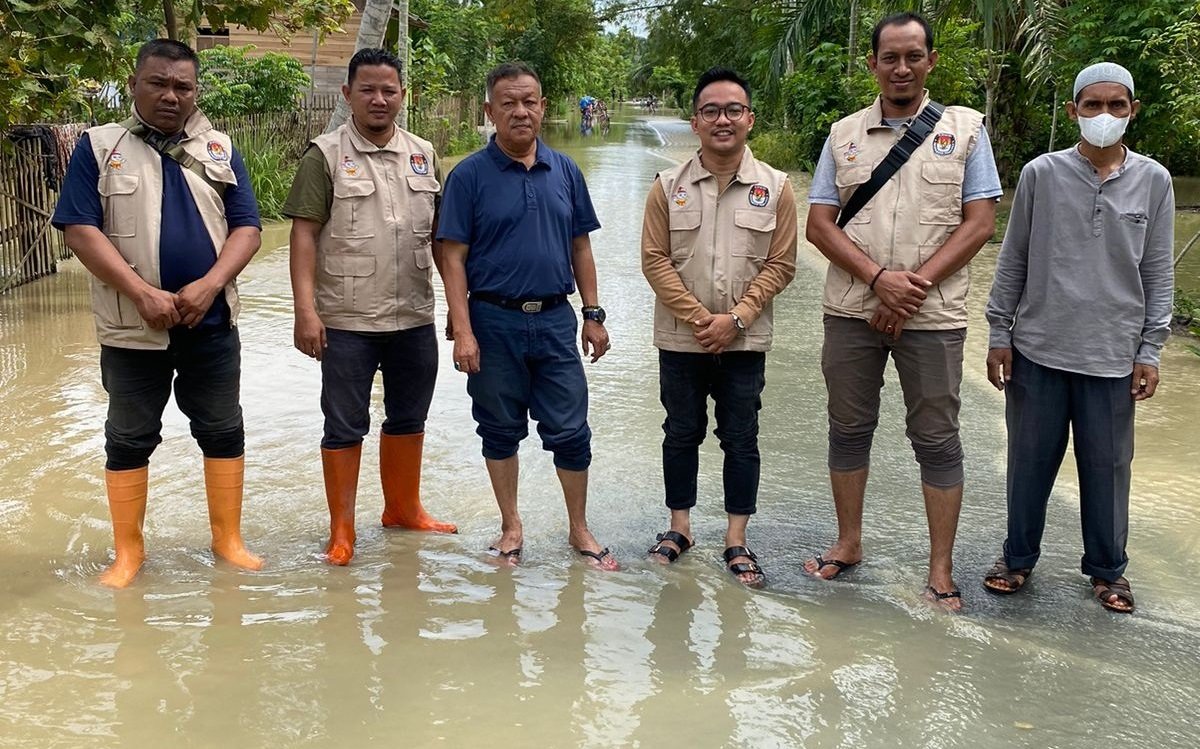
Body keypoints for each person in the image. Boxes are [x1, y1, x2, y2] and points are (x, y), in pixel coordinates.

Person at [804, 12, 1002, 609]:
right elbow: (819, 224)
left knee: (937, 438)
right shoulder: (842, 135)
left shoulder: (966, 130)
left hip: (932, 315)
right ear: (872, 64)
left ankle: (940, 569)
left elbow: (980, 223)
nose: (901, 68)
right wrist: (878, 279)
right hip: (851, 310)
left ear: (931, 61)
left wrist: (910, 289)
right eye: (889, 57)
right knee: (848, 429)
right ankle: (848, 544)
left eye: (913, 56)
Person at [51, 39, 264, 587]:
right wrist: (141, 292)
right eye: (159, 83)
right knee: (128, 438)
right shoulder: (99, 147)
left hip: (210, 323)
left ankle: (228, 541)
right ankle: (129, 554)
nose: (171, 95)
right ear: (134, 83)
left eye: (183, 86)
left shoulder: (219, 148)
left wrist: (210, 286)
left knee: (223, 430)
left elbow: (247, 228)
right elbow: (79, 229)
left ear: (196, 92)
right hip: (131, 327)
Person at [982, 63, 1172, 614]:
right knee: (1028, 463)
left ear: (1133, 111)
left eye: (1116, 105)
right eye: (1093, 105)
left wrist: (1151, 349)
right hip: (1038, 349)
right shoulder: (1041, 174)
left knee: (1108, 470)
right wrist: (999, 331)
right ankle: (1017, 559)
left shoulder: (1154, 181)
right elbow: (1013, 257)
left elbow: (1158, 271)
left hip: (1113, 356)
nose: (1104, 115)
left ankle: (1108, 571)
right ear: (1073, 111)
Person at [436, 61, 617, 570]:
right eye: (508, 103)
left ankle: (579, 528)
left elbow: (580, 246)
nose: (520, 111)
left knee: (571, 431)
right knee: (498, 429)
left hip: (557, 320)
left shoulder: (566, 171)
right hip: (493, 321)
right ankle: (511, 527)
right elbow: (452, 258)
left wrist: (593, 314)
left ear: (543, 107)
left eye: (529, 101)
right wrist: (463, 330)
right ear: (489, 110)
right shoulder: (468, 176)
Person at [284, 48, 457, 567]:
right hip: (346, 320)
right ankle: (342, 530)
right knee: (343, 425)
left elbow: (442, 241)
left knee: (409, 416)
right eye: (368, 90)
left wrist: (458, 307)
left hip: (414, 315)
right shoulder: (324, 155)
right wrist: (305, 312)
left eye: (389, 90)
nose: (379, 99)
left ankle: (403, 509)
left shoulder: (423, 153)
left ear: (404, 95)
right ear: (348, 94)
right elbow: (303, 235)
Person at [640, 68, 797, 588]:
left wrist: (738, 318)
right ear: (695, 122)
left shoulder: (776, 188)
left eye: (733, 110)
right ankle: (679, 527)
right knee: (680, 431)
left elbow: (781, 264)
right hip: (681, 338)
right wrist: (700, 318)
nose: (722, 119)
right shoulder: (668, 187)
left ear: (749, 119)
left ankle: (736, 538)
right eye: (711, 111)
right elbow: (655, 260)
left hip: (745, 340)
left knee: (741, 436)